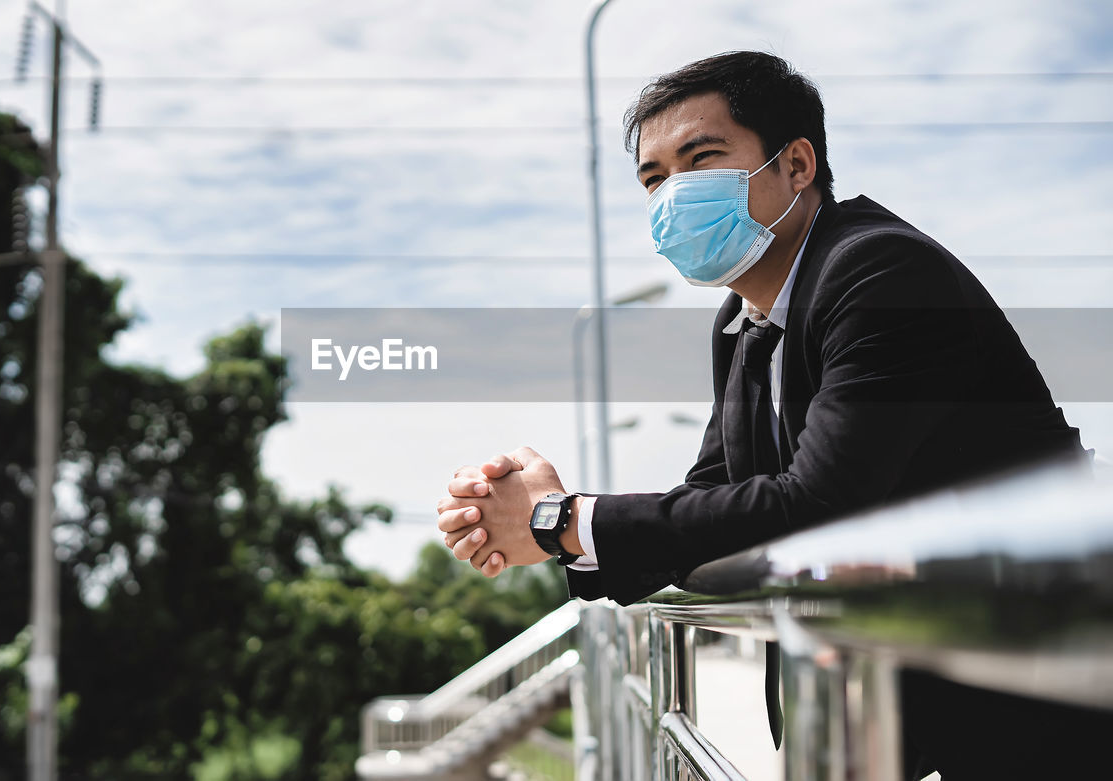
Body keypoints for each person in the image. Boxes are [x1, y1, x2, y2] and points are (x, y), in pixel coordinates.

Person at [436, 51, 1092, 779]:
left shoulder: (881, 273)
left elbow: (820, 503)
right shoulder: (744, 322)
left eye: (700, 159)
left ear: (797, 164)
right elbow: (714, 502)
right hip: (893, 701)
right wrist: (555, 521)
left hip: (1039, 688)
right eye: (653, 178)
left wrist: (562, 518)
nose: (672, 193)